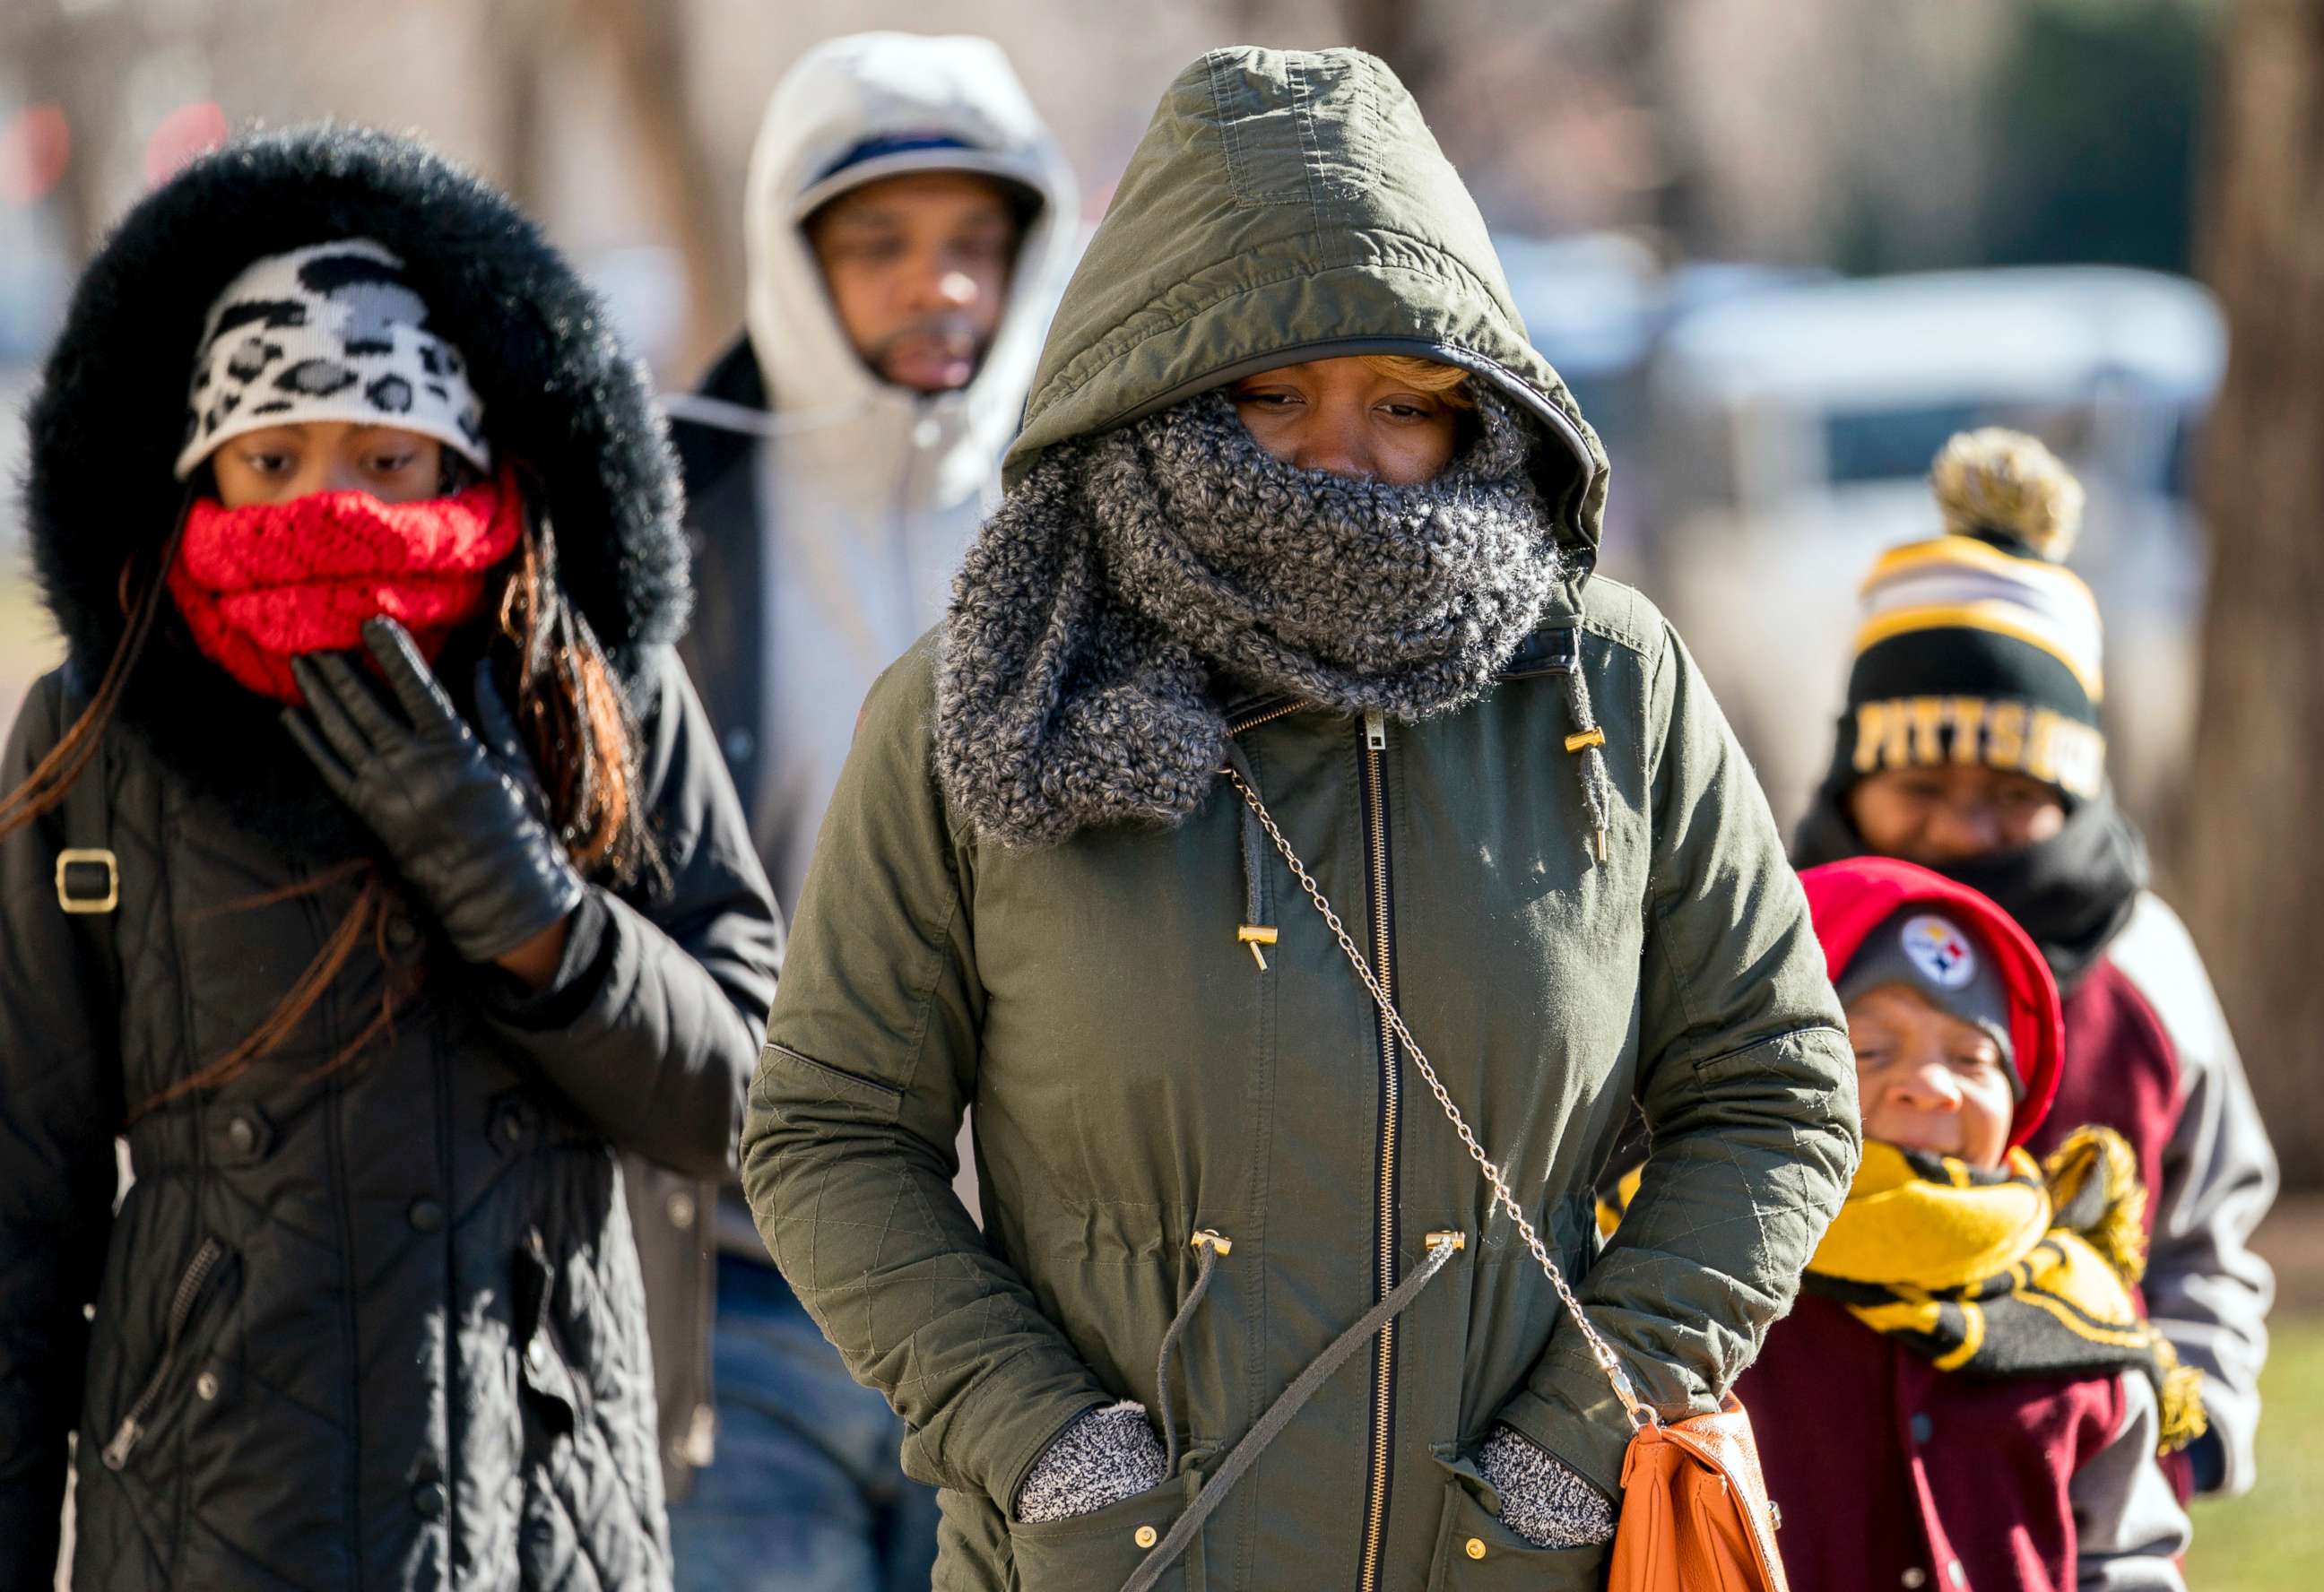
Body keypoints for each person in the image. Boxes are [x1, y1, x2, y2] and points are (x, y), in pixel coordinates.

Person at [741, 46, 1860, 1591]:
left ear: (1483, 410)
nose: (1345, 461)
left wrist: (1572, 1448)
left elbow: (1775, 1088)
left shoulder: (1607, 687)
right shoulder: (994, 698)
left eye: (1404, 401)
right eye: (1270, 393)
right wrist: (1052, 1452)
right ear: (1156, 383)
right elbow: (826, 1130)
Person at [0, 126, 780, 1590]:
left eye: (382, 453)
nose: (329, 504)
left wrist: (531, 909)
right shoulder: (96, 732)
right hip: (211, 1530)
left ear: (459, 455)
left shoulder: (594, 690)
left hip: (543, 1519)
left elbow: (753, 1110)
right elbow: (15, 1213)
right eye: (274, 458)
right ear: (205, 475)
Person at [646, 30, 1079, 1590]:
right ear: (790, 246)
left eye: (976, 241)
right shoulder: (669, 514)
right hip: (749, 1301)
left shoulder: (1097, 515)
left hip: (1050, 1320)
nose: (938, 286)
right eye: (881, 242)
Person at [1791, 429, 2276, 1499]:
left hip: (2059, 1502)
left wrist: (2182, 1433)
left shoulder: (2143, 961)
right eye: (1920, 786)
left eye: (2010, 796)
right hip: (1808, 1486)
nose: (1963, 829)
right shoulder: (1776, 940)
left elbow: (2208, 1235)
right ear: (1851, 773)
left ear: (2076, 794)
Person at [1732, 856, 2194, 1592]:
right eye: (1870, 1050)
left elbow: (2125, 1560)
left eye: (1974, 1057)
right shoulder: (1697, 1277)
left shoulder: (2077, 1309)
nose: (1931, 1086)